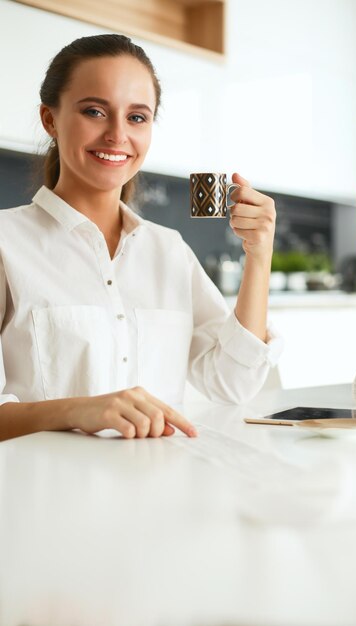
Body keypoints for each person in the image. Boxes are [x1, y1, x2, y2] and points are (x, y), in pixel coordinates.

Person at [0, 34, 283, 442]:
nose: (117, 134)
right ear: (50, 119)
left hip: (158, 493)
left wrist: (260, 255)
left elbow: (232, 383)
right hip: (46, 496)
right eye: (95, 111)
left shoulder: (170, 251)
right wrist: (80, 409)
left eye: (136, 117)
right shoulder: (7, 243)